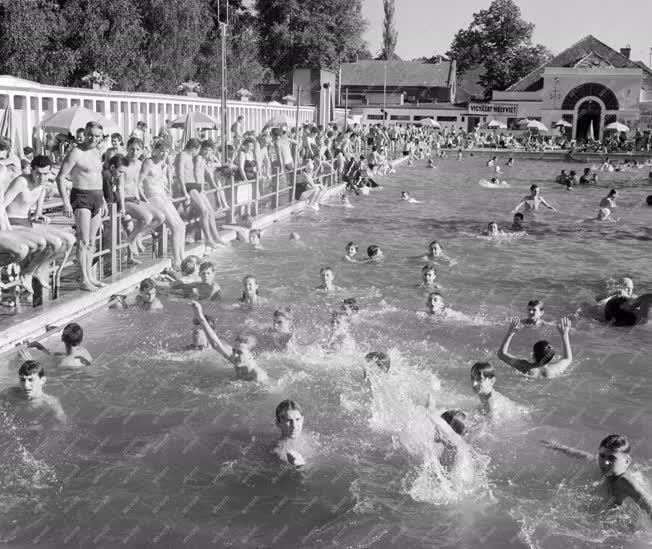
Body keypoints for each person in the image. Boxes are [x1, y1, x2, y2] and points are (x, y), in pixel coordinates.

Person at [3, 155, 75, 290]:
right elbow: (2, 205)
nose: (42, 178)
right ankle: (28, 272)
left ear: (50, 171)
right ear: (31, 170)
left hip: (28, 222)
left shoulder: (43, 183)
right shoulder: (21, 182)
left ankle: (35, 269)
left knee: (69, 240)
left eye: (46, 174)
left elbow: (39, 197)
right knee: (50, 243)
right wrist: (6, 230)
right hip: (13, 223)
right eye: (38, 174)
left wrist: (39, 213)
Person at [541, 434, 652, 517]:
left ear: (627, 461)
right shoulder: (600, 465)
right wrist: (556, 447)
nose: (604, 462)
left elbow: (648, 506)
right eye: (602, 455)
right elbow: (579, 454)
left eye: (612, 458)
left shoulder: (624, 482)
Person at [56, 121, 107, 291]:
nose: (93, 138)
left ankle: (91, 276)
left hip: (97, 197)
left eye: (97, 136)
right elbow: (61, 177)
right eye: (90, 134)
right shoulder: (76, 152)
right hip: (81, 197)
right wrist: (65, 202)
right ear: (85, 133)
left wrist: (104, 201)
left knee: (92, 241)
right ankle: (83, 279)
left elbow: (97, 176)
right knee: (83, 241)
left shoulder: (96, 151)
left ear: (101, 137)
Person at [191, 301, 268, 383]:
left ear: (252, 355)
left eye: (239, 352)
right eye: (234, 350)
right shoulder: (238, 360)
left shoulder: (258, 377)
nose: (234, 355)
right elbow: (215, 344)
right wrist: (200, 316)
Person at [139, 141, 186, 270]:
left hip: (162, 196)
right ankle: (177, 261)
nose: (164, 153)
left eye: (166, 151)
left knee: (181, 225)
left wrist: (166, 196)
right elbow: (139, 182)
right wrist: (144, 200)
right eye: (161, 151)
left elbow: (159, 183)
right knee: (175, 227)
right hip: (153, 197)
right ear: (155, 150)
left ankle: (182, 257)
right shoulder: (148, 162)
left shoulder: (162, 164)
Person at [119, 137, 165, 265]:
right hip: (125, 200)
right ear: (127, 149)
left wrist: (145, 201)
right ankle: (131, 240)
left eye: (137, 149)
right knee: (146, 217)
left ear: (141, 151)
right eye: (132, 149)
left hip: (135, 199)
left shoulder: (140, 164)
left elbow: (137, 185)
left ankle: (137, 236)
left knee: (160, 217)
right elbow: (120, 187)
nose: (134, 152)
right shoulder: (123, 163)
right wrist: (122, 206)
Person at [497, 317, 572, 378]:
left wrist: (510, 332)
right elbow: (568, 358)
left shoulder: (525, 367)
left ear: (533, 355)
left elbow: (501, 354)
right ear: (551, 357)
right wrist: (565, 335)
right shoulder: (554, 370)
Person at [0, 360, 66, 423]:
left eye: (31, 380)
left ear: (42, 380)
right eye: (22, 380)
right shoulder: (11, 392)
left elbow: (62, 425)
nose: (26, 385)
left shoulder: (50, 403)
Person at [25, 322, 92, 368]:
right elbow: (54, 356)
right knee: (57, 354)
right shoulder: (84, 351)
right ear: (81, 339)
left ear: (62, 338)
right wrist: (38, 345)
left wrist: (29, 361)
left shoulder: (65, 363)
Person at [272, 400, 305, 465]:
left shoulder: (311, 436)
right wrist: (299, 465)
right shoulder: (279, 451)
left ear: (303, 420)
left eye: (298, 419)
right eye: (288, 421)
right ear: (278, 423)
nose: (294, 426)